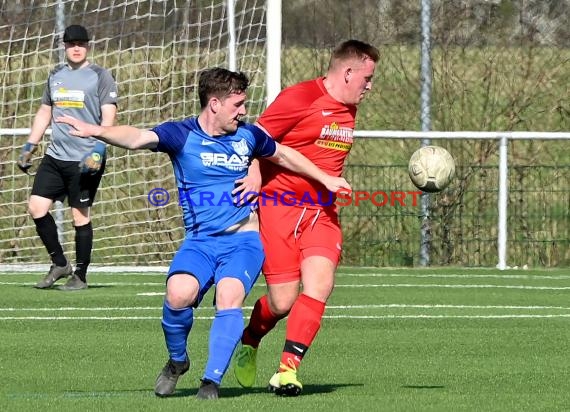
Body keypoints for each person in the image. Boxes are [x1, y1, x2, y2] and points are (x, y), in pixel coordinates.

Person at [56, 67, 351, 399]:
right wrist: (95, 130)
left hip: (243, 241)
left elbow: (284, 155)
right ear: (214, 104)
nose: (243, 111)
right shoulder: (180, 135)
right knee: (178, 294)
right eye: (237, 105)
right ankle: (177, 361)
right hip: (200, 241)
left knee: (229, 297)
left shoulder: (249, 136)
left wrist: (325, 178)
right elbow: (137, 137)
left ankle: (210, 382)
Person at [233, 39, 380, 396]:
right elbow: (257, 138)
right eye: (367, 77)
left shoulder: (349, 107)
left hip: (322, 213)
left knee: (320, 284)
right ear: (347, 72)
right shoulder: (299, 97)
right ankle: (250, 339)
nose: (370, 86)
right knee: (281, 302)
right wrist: (253, 172)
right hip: (279, 209)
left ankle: (287, 370)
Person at [17, 24, 118, 291]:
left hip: (85, 158)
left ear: (88, 46)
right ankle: (60, 263)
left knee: (79, 216)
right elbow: (44, 112)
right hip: (54, 156)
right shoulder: (55, 75)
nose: (76, 48)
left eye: (81, 43)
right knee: (36, 208)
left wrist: (99, 149)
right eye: (72, 43)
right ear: (64, 46)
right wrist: (30, 144)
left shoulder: (101, 76)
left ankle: (81, 276)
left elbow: (108, 118)